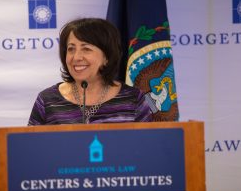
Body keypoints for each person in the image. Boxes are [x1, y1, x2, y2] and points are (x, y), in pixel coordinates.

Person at [28, 18, 156, 125]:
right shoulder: (47, 100)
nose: (76, 57)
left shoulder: (133, 99)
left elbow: (147, 147)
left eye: (86, 49)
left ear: (107, 57)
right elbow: (32, 148)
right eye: (71, 49)